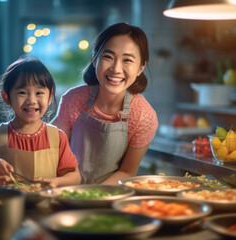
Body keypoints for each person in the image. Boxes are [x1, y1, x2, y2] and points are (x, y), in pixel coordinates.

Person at [53, 22, 158, 184]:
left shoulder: (144, 116)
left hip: (111, 197)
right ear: (95, 60)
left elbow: (127, 171)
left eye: (127, 60)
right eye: (108, 57)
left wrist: (93, 195)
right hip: (66, 190)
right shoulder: (74, 99)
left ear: (140, 68)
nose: (116, 68)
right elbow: (51, 150)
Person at [0, 55, 81, 188]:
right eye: (22, 92)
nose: (31, 100)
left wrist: (56, 182)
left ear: (50, 97)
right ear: (6, 97)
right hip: (10, 206)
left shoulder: (58, 137)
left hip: (48, 205)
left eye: (39, 93)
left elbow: (75, 177)